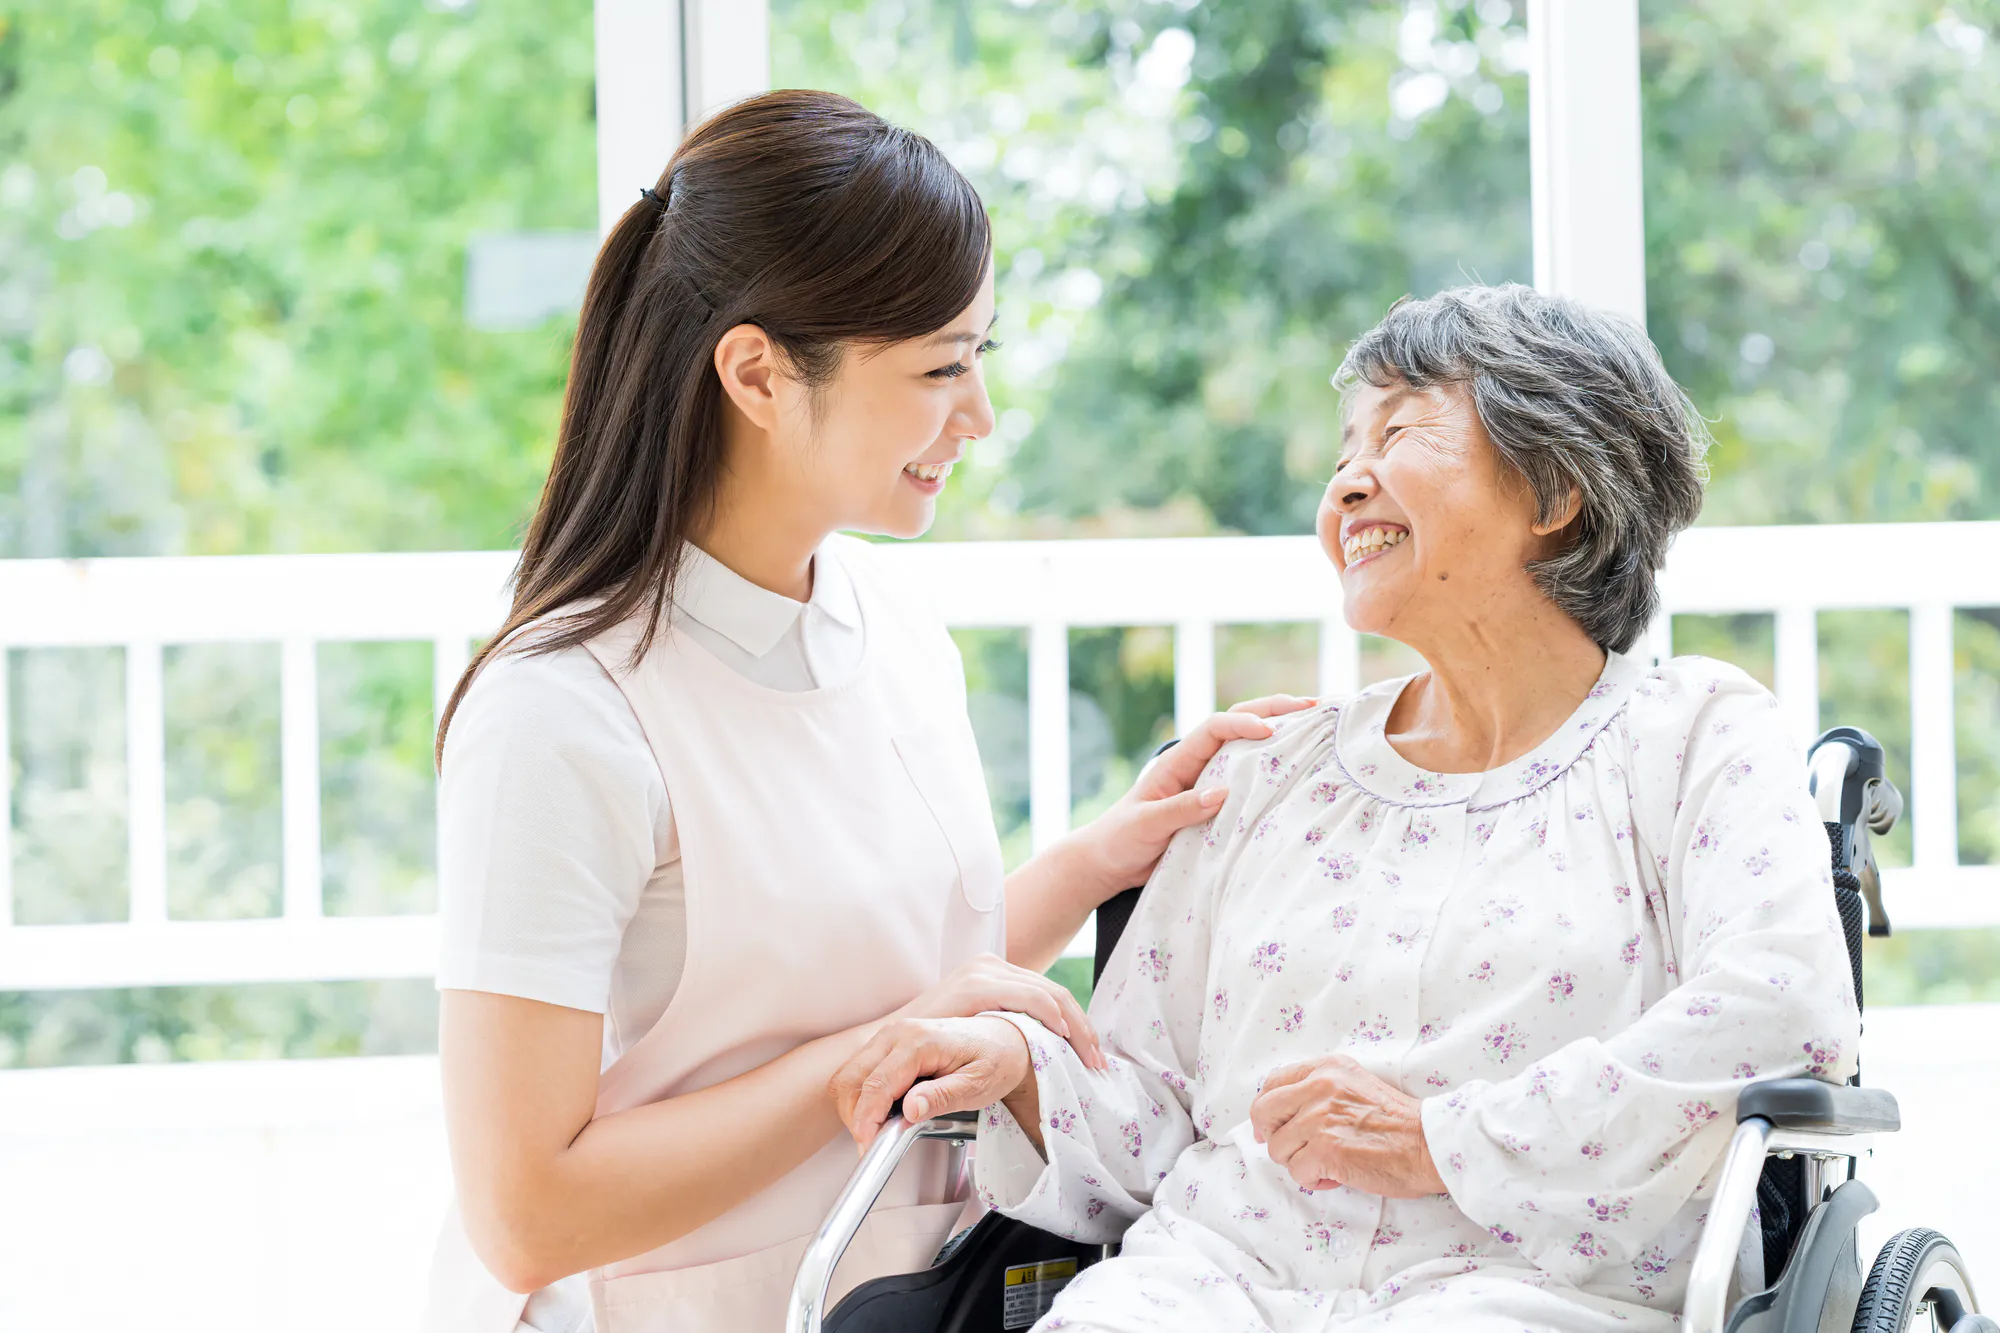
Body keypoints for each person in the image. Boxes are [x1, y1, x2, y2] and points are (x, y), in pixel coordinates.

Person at [421, 89, 1310, 1333]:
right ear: (756, 373)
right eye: (940, 367)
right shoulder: (561, 713)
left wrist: (1105, 854)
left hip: (898, 1289)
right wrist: (866, 1054)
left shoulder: (887, 623)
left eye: (979, 358)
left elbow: (891, 980)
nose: (979, 416)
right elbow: (527, 1210)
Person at [833, 284, 1861, 1332]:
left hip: (1531, 1295)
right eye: (1339, 455)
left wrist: (1444, 1140)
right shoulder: (1273, 774)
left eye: (1399, 431)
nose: (1344, 486)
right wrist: (1024, 1071)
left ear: (1553, 489)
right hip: (1205, 1283)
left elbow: (1783, 1012)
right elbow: (1148, 1111)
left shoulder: (1692, 738)